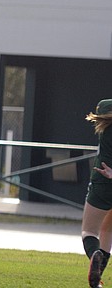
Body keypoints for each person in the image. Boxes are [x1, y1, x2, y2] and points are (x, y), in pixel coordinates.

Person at [82, 99, 112, 288]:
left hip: (102, 180)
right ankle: (97, 280)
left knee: (89, 231)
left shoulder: (105, 126)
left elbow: (104, 105)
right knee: (107, 231)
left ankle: (94, 254)